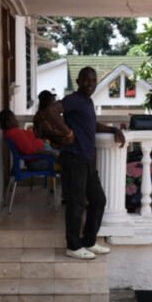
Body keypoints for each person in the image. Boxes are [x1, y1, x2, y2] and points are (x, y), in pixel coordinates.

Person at [55, 67, 125, 259]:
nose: (90, 84)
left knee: (98, 200)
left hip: (87, 159)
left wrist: (113, 130)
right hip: (74, 158)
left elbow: (91, 125)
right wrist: (67, 132)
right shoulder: (73, 99)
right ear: (78, 81)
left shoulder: (87, 101)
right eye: (86, 80)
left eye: (93, 81)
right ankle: (73, 246)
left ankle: (88, 241)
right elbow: (52, 111)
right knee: (76, 203)